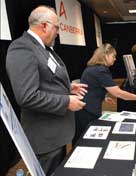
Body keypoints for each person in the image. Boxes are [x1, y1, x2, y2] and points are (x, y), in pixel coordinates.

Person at [5, 6, 87, 175]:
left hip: (57, 134)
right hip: (45, 138)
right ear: (44, 26)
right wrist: (66, 101)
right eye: (57, 27)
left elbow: (46, 79)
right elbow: (27, 96)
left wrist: (68, 87)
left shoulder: (43, 47)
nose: (58, 32)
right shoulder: (22, 48)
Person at [73, 43, 136, 144]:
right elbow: (118, 93)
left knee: (82, 139)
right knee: (84, 141)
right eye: (113, 56)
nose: (115, 59)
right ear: (105, 55)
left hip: (83, 109)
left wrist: (104, 96)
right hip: (87, 112)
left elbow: (93, 86)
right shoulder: (101, 70)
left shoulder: (94, 68)